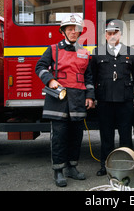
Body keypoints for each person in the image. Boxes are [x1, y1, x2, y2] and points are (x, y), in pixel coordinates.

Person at [35, 13, 95, 187]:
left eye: (76, 29)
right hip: (58, 100)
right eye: (69, 29)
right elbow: (39, 66)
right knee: (59, 137)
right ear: (63, 31)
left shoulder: (84, 52)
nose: (73, 32)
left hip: (78, 100)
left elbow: (88, 77)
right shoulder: (53, 49)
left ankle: (72, 168)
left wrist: (90, 96)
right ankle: (59, 171)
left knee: (76, 136)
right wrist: (50, 80)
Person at [91, 19, 134, 176]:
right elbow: (92, 78)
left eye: (115, 33)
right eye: (109, 33)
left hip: (125, 100)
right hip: (105, 100)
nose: (112, 35)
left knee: (125, 135)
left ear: (120, 34)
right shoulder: (96, 52)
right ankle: (105, 166)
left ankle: (127, 167)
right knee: (106, 136)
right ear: (105, 35)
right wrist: (91, 97)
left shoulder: (130, 52)